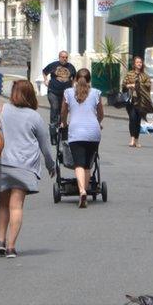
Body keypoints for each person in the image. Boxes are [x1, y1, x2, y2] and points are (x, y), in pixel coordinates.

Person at [0, 80, 55, 259]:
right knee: (17, 206)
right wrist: (50, 165)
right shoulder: (35, 117)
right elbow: (45, 145)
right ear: (30, 94)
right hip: (24, 165)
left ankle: (0, 241)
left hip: (0, 165)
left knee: (4, 204)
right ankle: (11, 247)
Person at [60, 69, 104, 208]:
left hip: (76, 131)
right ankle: (83, 193)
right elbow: (101, 114)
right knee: (87, 164)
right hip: (93, 132)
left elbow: (63, 112)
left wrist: (64, 123)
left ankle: (82, 191)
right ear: (90, 80)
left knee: (78, 163)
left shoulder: (68, 92)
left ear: (75, 79)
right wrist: (97, 122)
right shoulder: (96, 93)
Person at [42, 51, 75, 144]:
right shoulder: (53, 65)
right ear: (59, 57)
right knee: (55, 107)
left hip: (65, 94)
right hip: (53, 92)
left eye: (66, 57)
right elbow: (44, 71)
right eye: (63, 57)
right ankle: (53, 133)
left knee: (63, 111)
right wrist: (45, 80)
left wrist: (72, 86)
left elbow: (74, 77)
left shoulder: (71, 67)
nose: (64, 59)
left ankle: (62, 130)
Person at [122, 55, 153, 148]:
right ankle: (132, 139)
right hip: (131, 101)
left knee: (138, 121)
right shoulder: (129, 74)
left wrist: (139, 86)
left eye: (140, 62)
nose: (139, 64)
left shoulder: (145, 76)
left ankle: (136, 140)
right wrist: (130, 85)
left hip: (141, 102)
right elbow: (123, 85)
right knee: (132, 119)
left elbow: (148, 86)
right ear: (134, 64)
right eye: (137, 62)